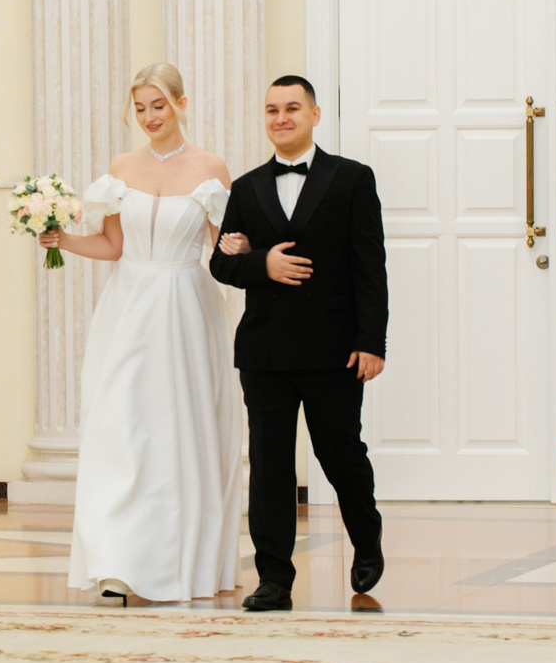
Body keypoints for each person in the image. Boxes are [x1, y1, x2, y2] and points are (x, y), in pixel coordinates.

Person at [38, 64, 243, 604]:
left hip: (185, 309)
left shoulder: (210, 168)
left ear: (181, 102)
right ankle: (115, 564)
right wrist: (62, 239)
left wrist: (243, 249)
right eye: (141, 108)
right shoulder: (121, 168)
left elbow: (223, 245)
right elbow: (113, 246)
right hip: (128, 308)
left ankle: (181, 561)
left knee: (179, 431)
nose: (150, 117)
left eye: (160, 105)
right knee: (119, 427)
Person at [207, 76, 387, 613]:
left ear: (314, 114)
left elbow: (369, 267)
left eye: (291, 108)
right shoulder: (245, 187)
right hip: (264, 352)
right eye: (271, 110)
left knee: (341, 454)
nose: (281, 117)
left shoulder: (353, 179)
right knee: (270, 466)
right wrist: (260, 262)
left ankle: (367, 537)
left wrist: (371, 341)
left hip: (335, 349)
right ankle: (274, 578)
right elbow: (221, 263)